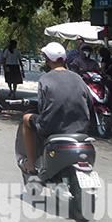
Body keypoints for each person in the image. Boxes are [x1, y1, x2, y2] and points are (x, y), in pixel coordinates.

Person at [21, 42, 95, 174]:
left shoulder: (45, 79)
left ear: (48, 60)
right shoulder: (78, 79)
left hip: (51, 127)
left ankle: (30, 164)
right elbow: (89, 103)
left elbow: (42, 108)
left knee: (26, 119)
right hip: (80, 128)